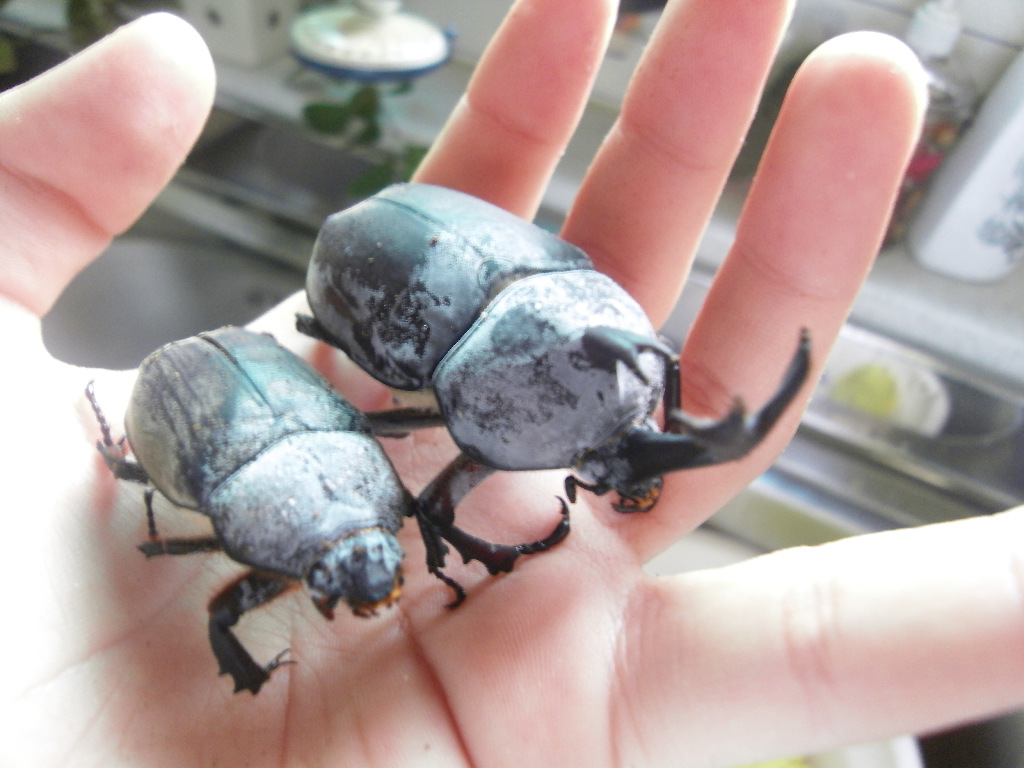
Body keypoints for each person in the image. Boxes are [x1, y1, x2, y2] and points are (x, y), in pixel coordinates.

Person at [2, 3, 1021, 766]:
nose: (621, 454)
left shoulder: (587, 339)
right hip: (382, 295)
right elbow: (443, 479)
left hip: (446, 301)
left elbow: (467, 462)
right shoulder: (494, 397)